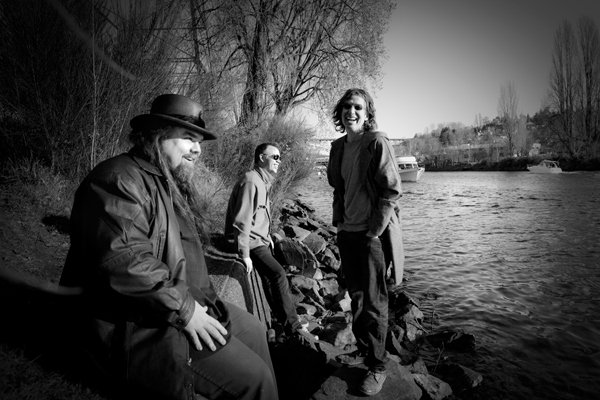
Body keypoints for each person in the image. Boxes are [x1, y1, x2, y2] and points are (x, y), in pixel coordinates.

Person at [60, 94, 278, 400]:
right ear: (157, 135)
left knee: (254, 329)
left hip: (185, 301)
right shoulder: (118, 179)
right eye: (189, 138)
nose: (198, 149)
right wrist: (186, 310)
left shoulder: (166, 181)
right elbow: (125, 262)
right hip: (138, 324)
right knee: (255, 380)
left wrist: (202, 302)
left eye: (199, 141)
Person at [326, 88, 404, 396]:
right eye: (347, 106)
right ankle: (364, 350)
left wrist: (374, 230)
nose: (351, 112)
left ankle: (378, 366)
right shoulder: (337, 147)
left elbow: (391, 189)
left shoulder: (376, 142)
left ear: (367, 113)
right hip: (347, 233)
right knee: (357, 299)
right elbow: (339, 188)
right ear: (340, 112)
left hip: (370, 237)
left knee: (375, 303)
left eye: (358, 107)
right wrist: (339, 224)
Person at [224, 143, 311, 341]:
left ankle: (282, 319)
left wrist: (268, 236)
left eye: (279, 158)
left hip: (258, 239)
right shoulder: (251, 181)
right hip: (249, 241)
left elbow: (259, 217)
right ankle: (294, 326)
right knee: (278, 274)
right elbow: (242, 220)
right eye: (275, 157)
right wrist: (244, 253)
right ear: (262, 158)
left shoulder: (262, 181)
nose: (279, 161)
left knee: (272, 275)